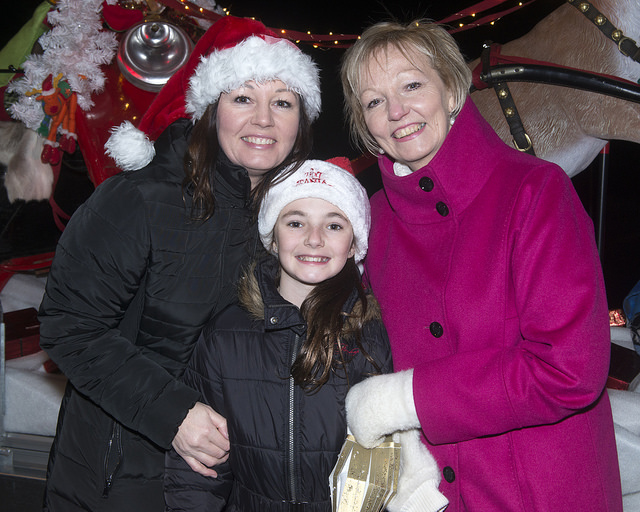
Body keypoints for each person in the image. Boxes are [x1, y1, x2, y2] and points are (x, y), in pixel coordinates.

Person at [37, 15, 321, 512]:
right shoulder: (139, 199)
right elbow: (70, 326)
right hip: (126, 479)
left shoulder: (293, 222)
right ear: (210, 110)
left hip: (236, 484)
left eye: (282, 102)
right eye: (242, 98)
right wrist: (174, 414)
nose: (263, 120)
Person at [340, 19, 623, 511]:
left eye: (411, 85)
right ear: (366, 126)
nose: (396, 111)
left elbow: (570, 369)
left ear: (451, 89)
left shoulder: (535, 192)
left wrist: (407, 400)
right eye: (373, 101)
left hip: (541, 493)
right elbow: (365, 351)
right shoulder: (373, 222)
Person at [164, 158, 400, 511]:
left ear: (354, 245)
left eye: (334, 225)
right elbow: (199, 466)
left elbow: (386, 463)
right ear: (272, 238)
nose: (314, 239)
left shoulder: (370, 337)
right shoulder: (227, 334)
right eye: (295, 222)